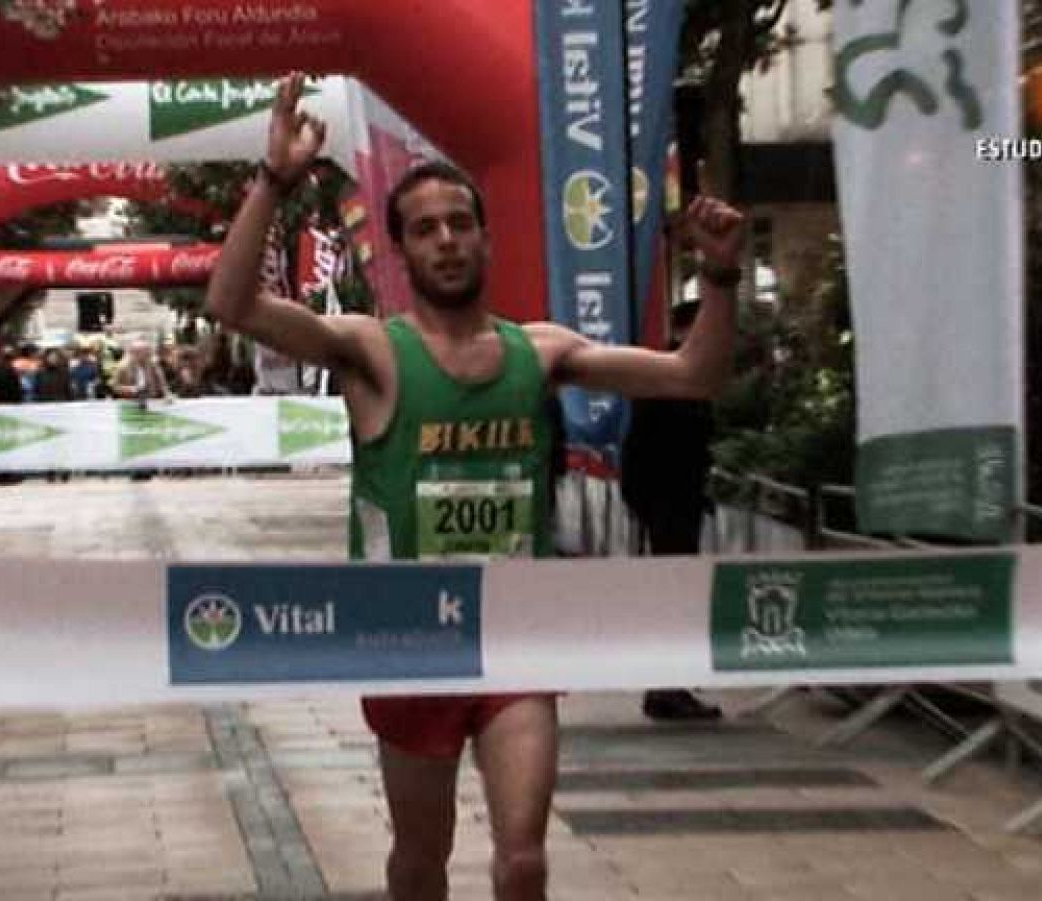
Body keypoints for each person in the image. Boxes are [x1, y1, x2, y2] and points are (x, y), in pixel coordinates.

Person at [204, 73, 745, 901]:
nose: (447, 240)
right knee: (421, 862)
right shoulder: (373, 352)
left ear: (486, 241)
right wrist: (275, 181)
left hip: (513, 635)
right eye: (426, 230)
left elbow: (693, 375)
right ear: (403, 251)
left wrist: (719, 278)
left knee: (524, 858)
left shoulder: (542, 352)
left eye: (461, 224)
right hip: (405, 640)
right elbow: (231, 302)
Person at [622, 301, 723, 721]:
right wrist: (645, 500)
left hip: (676, 498)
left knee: (678, 592)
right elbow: (647, 445)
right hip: (666, 500)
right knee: (674, 594)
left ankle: (670, 681)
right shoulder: (664, 376)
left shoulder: (680, 376)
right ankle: (667, 687)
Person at [111, 338, 174, 403]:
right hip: (130, 401)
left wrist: (167, 395)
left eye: (147, 352)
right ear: (132, 352)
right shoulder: (122, 367)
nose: (147, 354)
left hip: (151, 400)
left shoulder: (153, 364)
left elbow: (162, 383)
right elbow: (114, 386)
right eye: (142, 352)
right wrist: (130, 389)